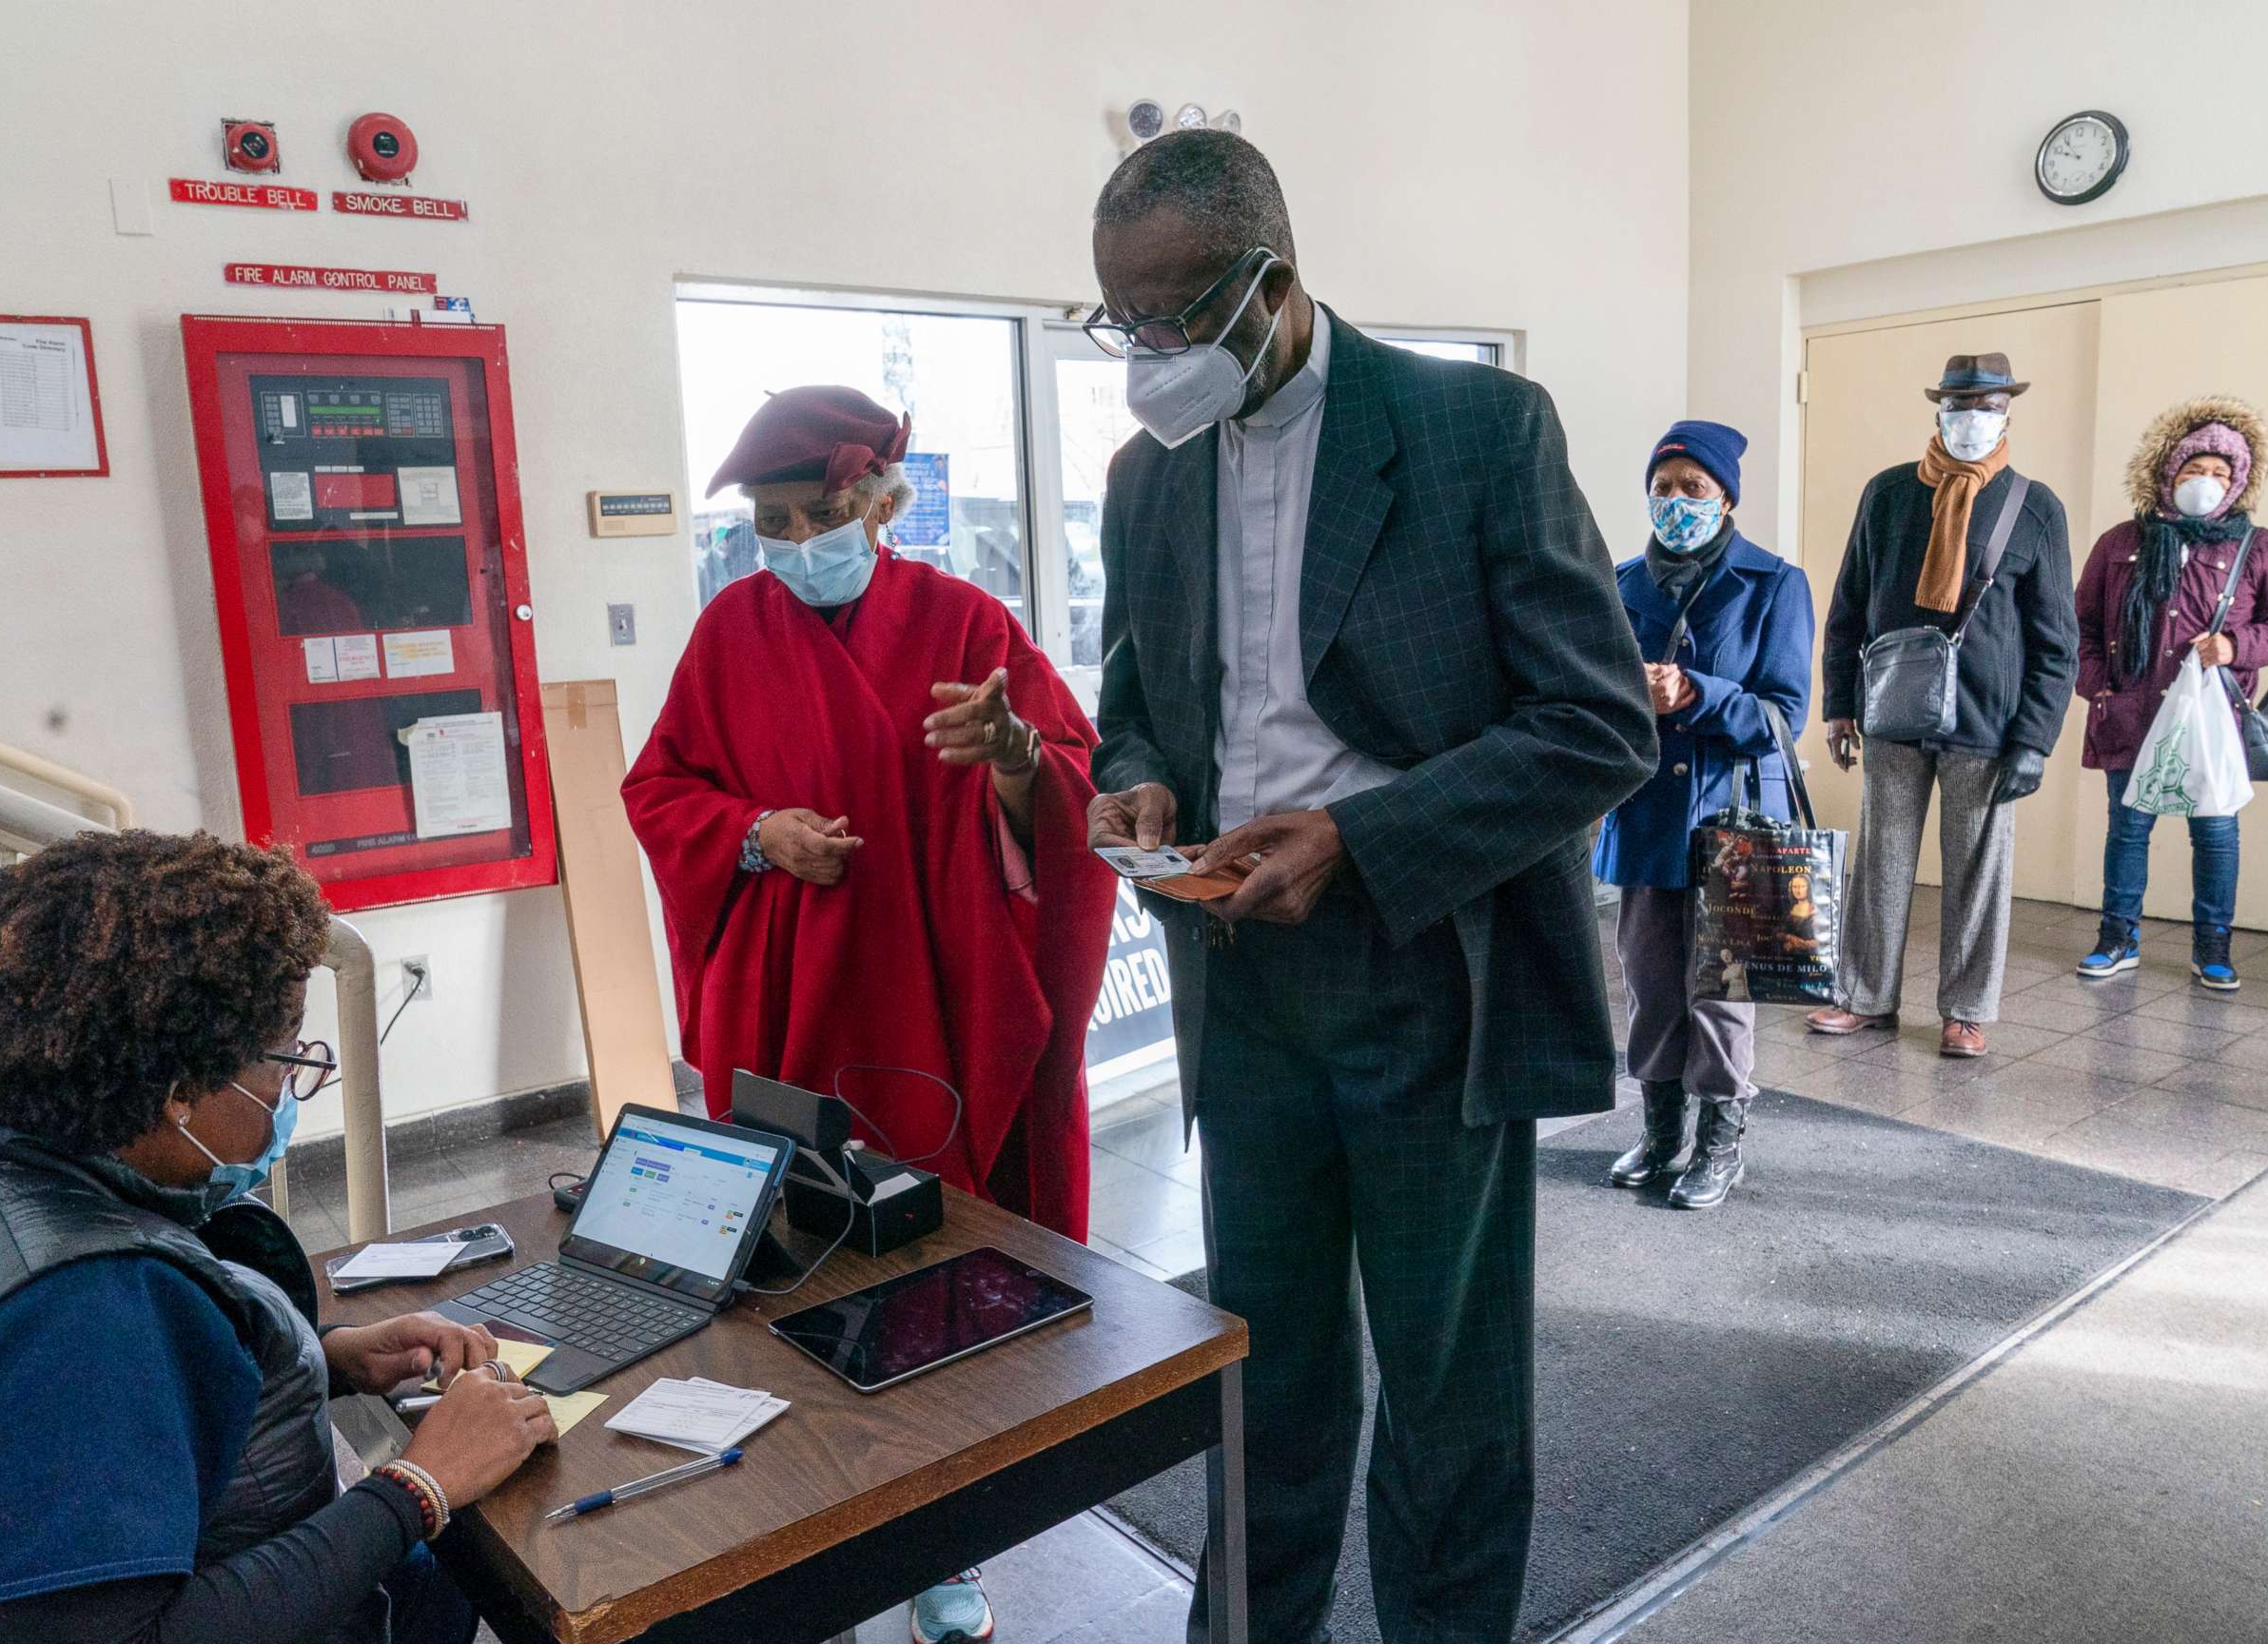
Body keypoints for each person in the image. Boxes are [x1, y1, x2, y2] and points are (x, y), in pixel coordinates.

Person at [1083, 130, 1657, 1643]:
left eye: (1170, 319)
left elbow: (1600, 724)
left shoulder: (1475, 429)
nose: (1146, 353)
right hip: (1241, 985)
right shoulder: (1149, 477)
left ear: (1271, 285)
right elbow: (1137, 698)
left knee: (1446, 1393)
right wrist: (1135, 781)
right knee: (1261, 1376)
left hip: (1426, 970)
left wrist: (1362, 837)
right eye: (1120, 324)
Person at [622, 385, 1116, 1644]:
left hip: (944, 996)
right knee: (802, 1269)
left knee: (948, 1281)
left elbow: (1078, 787)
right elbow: (664, 782)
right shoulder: (732, 630)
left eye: (816, 513)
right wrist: (754, 833)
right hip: (798, 1006)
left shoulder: (965, 619)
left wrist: (1009, 754)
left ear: (879, 505)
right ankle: (818, 1514)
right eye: (770, 522)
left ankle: (946, 1544)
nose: (792, 543)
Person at [0, 830, 555, 1644]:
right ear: (180, 1093)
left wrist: (329, 1358)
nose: (292, 1088)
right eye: (284, 1062)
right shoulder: (72, 1314)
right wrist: (420, 1485)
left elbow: (105, 1431)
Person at [1809, 353, 2078, 1058]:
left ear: (2008, 413)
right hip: (1895, 707)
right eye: (1960, 407)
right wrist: (1839, 703)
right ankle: (1865, 996)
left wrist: (2036, 740)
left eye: (1987, 407)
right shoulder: (1890, 493)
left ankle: (1967, 1009)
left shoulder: (2034, 506)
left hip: (1988, 721)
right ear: (1938, 412)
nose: (1972, 420)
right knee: (1881, 861)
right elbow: (1849, 606)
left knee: (1978, 871)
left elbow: (2057, 639)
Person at [1593, 420, 1812, 1209]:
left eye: (1692, 488)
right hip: (1647, 815)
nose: (1675, 502)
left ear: (1725, 498)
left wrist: (1696, 694)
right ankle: (1659, 1134)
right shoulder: (1618, 584)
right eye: (1662, 488)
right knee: (1651, 984)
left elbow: (1784, 716)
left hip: (1735, 816)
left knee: (1719, 990)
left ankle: (1721, 1141)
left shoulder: (1775, 584)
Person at [2073, 396, 2268, 990]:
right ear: (2167, 474)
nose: (2206, 483)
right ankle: (2117, 938)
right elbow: (2076, 624)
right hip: (2130, 709)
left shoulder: (2261, 547)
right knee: (2128, 827)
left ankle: (2213, 947)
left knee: (2214, 830)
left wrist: (2237, 646)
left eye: (2220, 474)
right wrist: (2097, 685)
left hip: (2214, 719)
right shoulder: (2119, 541)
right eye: (2193, 471)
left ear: (2238, 484)